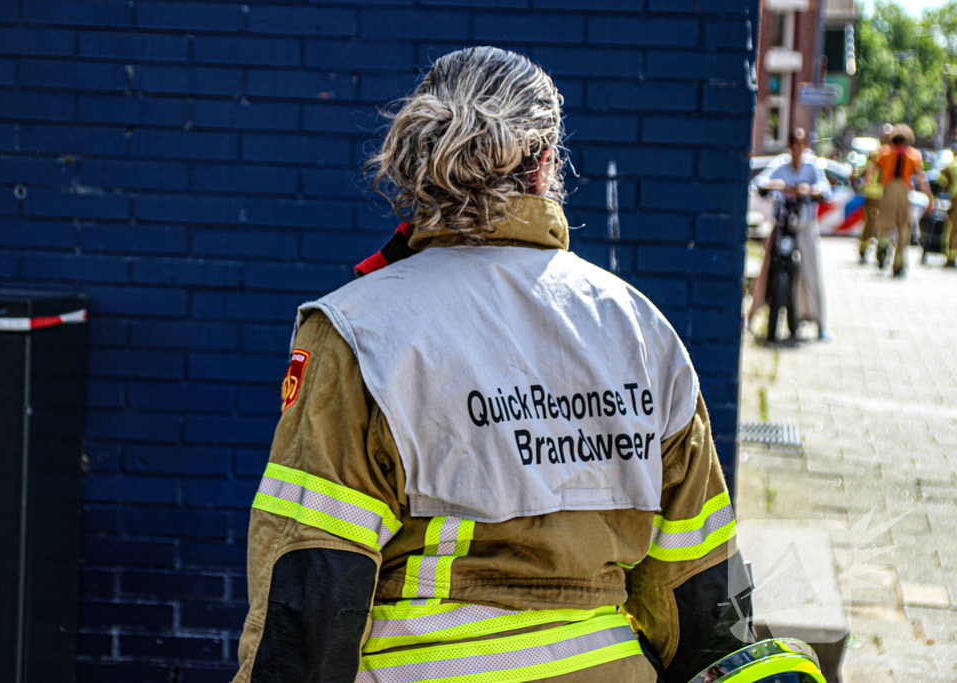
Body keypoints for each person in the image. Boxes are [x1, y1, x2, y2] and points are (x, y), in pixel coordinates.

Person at [233, 47, 748, 683]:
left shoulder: (361, 333)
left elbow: (312, 594)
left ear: (419, 166)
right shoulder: (639, 329)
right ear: (545, 168)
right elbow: (700, 598)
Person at [751, 128, 833, 341]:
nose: (798, 150)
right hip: (782, 223)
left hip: (804, 225)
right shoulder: (781, 164)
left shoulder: (812, 166)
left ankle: (819, 323)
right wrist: (775, 185)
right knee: (767, 265)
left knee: (811, 270)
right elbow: (759, 182)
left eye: (801, 145)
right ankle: (753, 314)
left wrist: (809, 190)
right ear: (789, 146)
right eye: (794, 145)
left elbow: (825, 189)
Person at [864, 123, 934, 276]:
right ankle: (899, 262)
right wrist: (930, 198)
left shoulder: (885, 153)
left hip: (888, 190)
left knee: (885, 223)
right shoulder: (913, 155)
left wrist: (870, 188)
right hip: (904, 190)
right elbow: (922, 179)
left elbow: (871, 172)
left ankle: (883, 245)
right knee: (903, 227)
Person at [858, 124, 892, 263]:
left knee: (874, 224)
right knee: (875, 224)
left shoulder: (880, 154)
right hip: (877, 195)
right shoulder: (885, 155)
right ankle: (871, 249)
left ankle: (875, 250)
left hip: (880, 195)